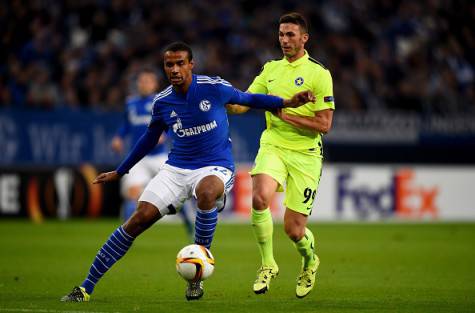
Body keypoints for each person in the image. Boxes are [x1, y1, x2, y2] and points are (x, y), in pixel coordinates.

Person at [61, 41, 315, 302]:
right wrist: (121, 170)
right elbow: (150, 137)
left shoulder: (213, 88)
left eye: (180, 63)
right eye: (169, 64)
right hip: (176, 168)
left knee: (207, 191)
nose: (175, 69)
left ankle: (197, 273)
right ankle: (85, 287)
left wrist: (287, 101)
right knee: (137, 220)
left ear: (191, 64)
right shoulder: (162, 102)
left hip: (215, 166)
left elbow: (249, 99)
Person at [228, 12, 335, 298]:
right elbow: (244, 103)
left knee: (294, 230)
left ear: (304, 38)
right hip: (273, 144)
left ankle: (310, 260)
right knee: (260, 197)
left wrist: (288, 117)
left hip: (306, 154)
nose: (284, 40)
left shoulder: (319, 73)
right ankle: (268, 264)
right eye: (281, 34)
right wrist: (223, 100)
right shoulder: (270, 70)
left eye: (290, 35)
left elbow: (324, 125)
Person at [110, 67, 193, 237]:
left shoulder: (161, 101)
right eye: (142, 81)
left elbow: (174, 122)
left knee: (176, 193)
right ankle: (126, 236)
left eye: (148, 81)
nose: (144, 84)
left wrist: (165, 134)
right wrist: (118, 137)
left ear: (154, 84)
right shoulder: (130, 103)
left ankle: (189, 226)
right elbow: (126, 125)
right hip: (139, 158)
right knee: (133, 194)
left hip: (159, 156)